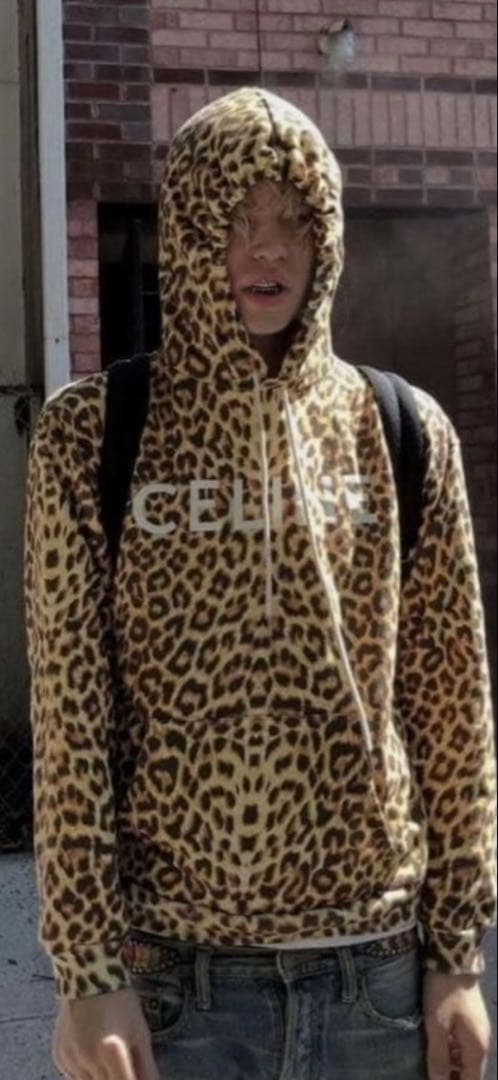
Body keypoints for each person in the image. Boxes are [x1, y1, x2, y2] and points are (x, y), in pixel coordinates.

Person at [24, 88, 496, 1080]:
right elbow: (71, 721)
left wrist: (457, 956)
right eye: (235, 218)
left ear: (327, 233)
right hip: (175, 982)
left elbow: (453, 710)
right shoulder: (91, 436)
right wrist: (87, 972)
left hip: (375, 976)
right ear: (189, 231)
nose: (267, 246)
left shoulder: (403, 431)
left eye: (292, 217)